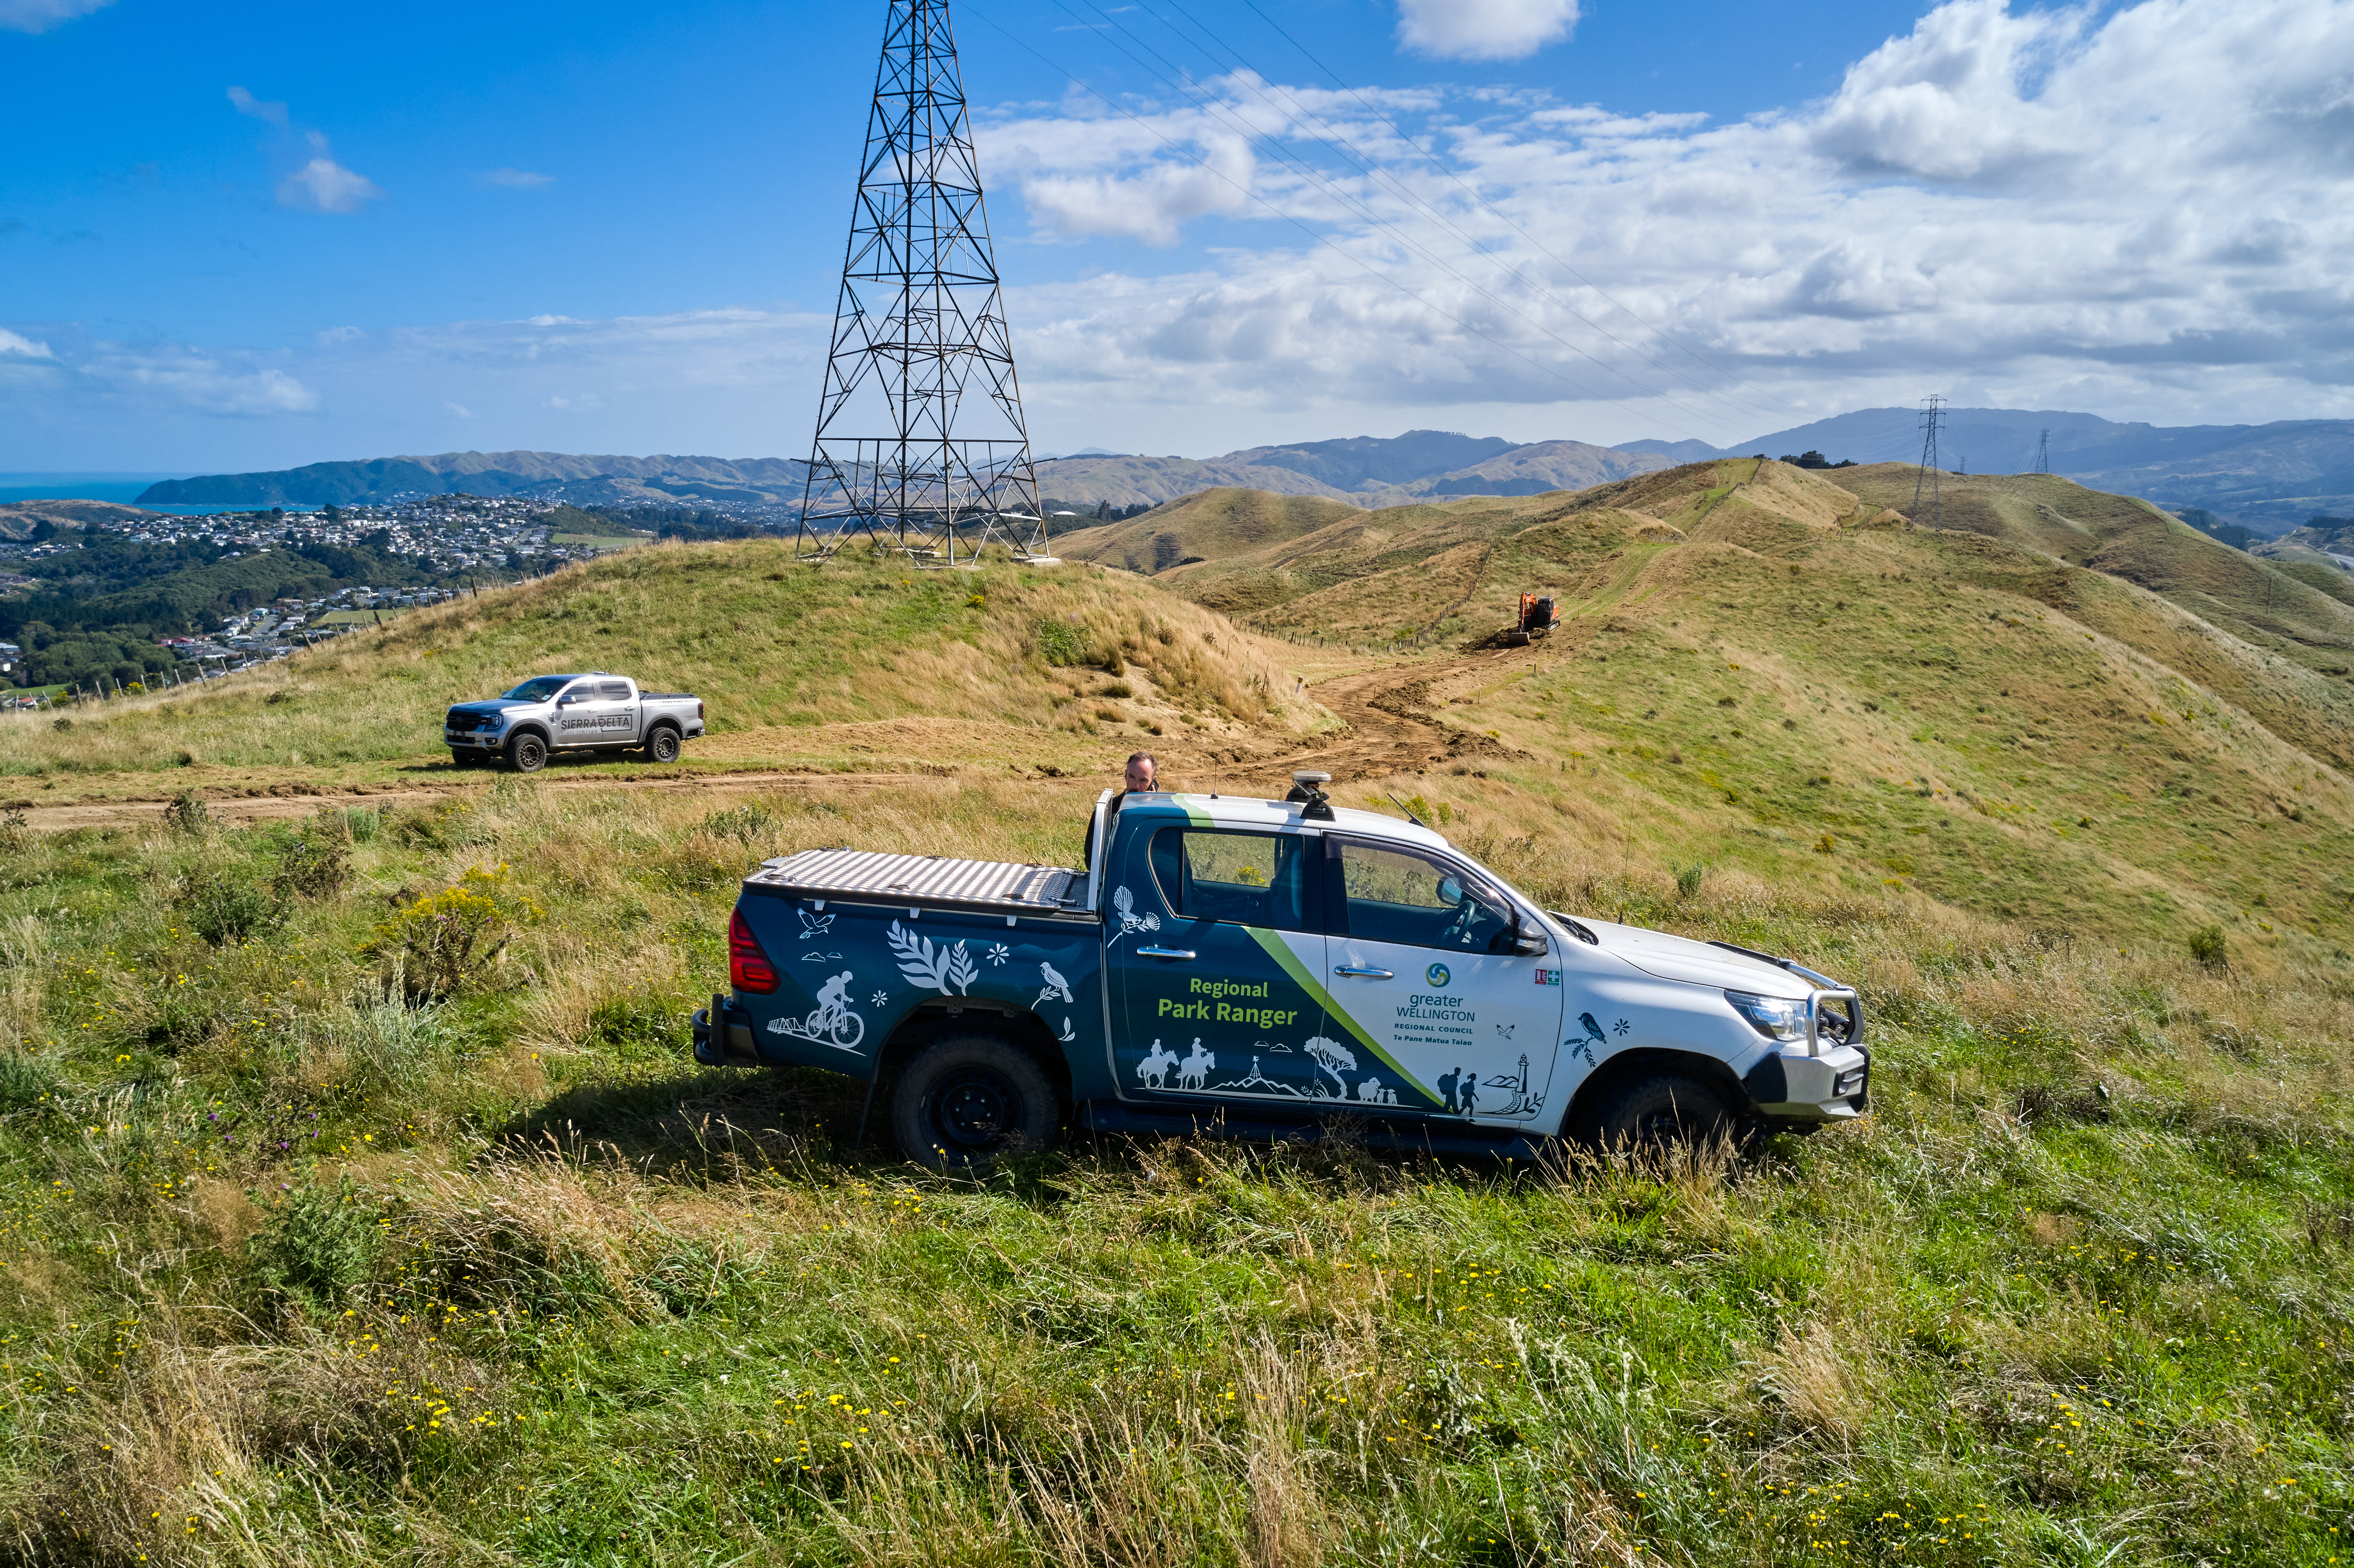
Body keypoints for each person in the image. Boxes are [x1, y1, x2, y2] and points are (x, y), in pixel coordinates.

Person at [1085, 751, 1156, 868]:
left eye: (1143, 780)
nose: (1136, 786)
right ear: (1125, 775)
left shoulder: (1161, 816)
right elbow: (1091, 860)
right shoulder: (1107, 811)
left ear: (1153, 781)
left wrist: (1153, 808)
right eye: (1132, 777)